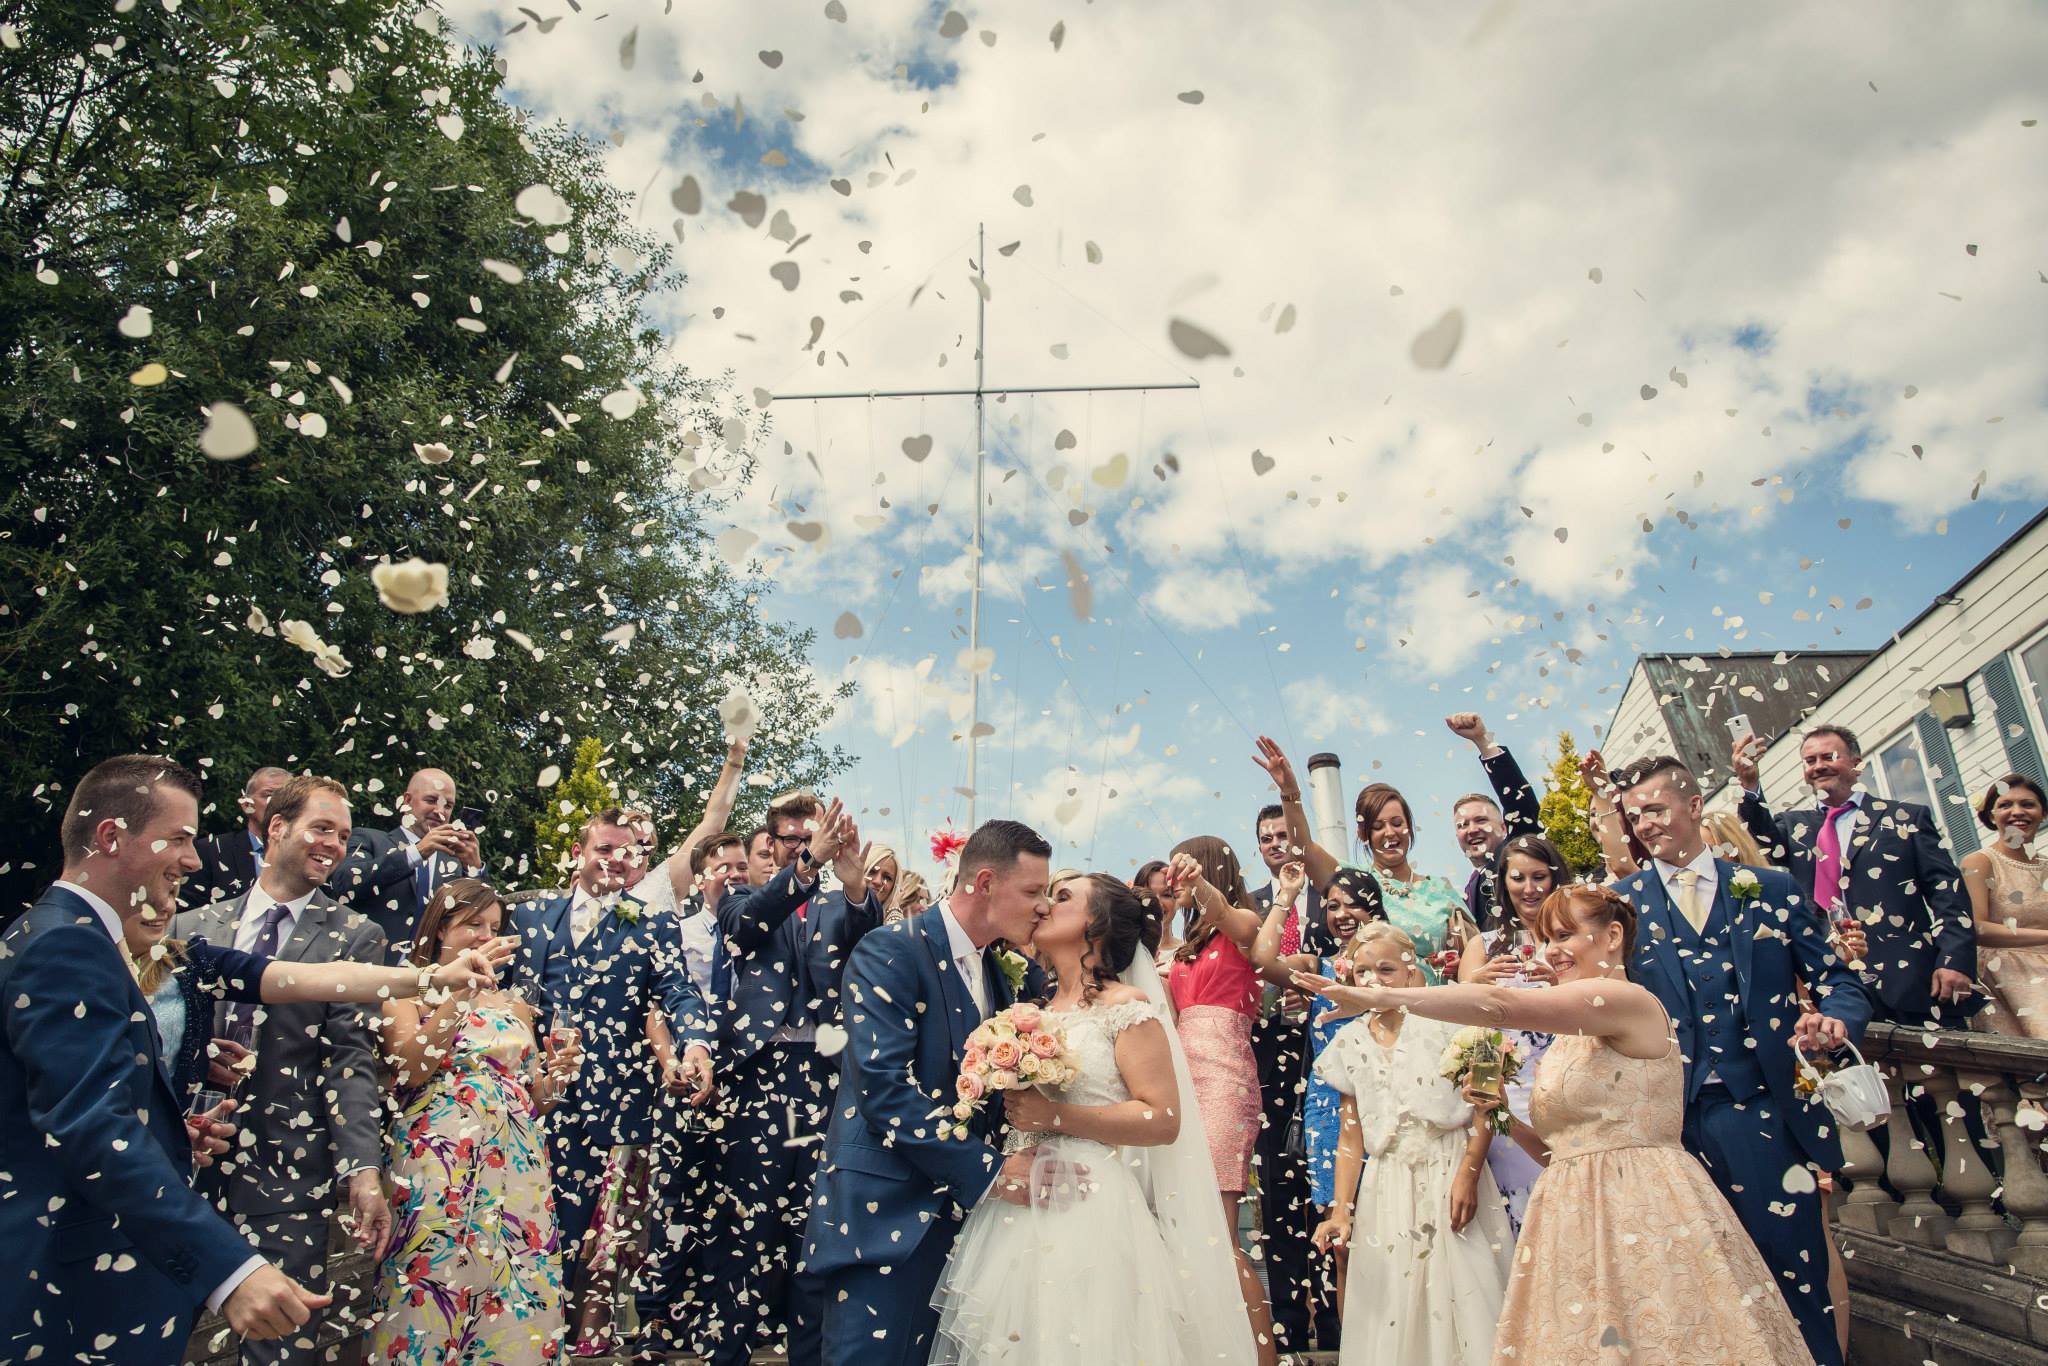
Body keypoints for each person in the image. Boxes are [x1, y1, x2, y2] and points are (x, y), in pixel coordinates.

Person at [1297, 883, 1821, 1365]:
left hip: (1643, 1201)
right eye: (1547, 938)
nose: (1551, 949)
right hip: (1571, 1207)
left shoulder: (1628, 999)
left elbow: (1501, 1005)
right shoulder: (1572, 1036)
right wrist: (1501, 1112)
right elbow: (1557, 1150)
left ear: (1613, 936)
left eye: (1565, 934)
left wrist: (1380, 996)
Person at [3, 756, 330, 1363]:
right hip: (76, 1292)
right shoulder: (69, 945)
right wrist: (228, 1269)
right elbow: (91, 1128)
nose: (194, 859)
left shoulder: (58, 931)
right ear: (110, 836)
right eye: (179, 838)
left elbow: (52, 1107)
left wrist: (167, 1131)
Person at [929, 872, 1258, 1366]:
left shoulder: (1125, 1007)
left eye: (1061, 898)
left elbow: (1162, 1118)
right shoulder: (1028, 1011)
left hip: (1087, 1199)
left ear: (1096, 924)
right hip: (1019, 1199)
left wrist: (1056, 1115)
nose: (1044, 905)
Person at [1617, 754, 1870, 1365]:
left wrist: (1833, 1020)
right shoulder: (1619, 907)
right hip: (1668, 1132)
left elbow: (1840, 981)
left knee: (1797, 1282)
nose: (1645, 824)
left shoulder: (1770, 889)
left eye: (1655, 808)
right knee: (1706, 1295)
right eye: (1635, 816)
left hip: (1767, 1115)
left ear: (1694, 804)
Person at [803, 819, 1055, 1366]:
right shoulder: (889, 951)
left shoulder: (1006, 975)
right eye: (1033, 892)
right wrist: (990, 1171)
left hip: (964, 1229)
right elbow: (884, 1088)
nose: (1043, 907)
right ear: (985, 882)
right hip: (883, 1219)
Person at [171, 774, 400, 1365]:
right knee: (162, 1336)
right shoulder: (189, 928)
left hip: (286, 1173)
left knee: (281, 1348)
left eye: (344, 836)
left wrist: (363, 1169)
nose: (334, 845)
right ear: (277, 827)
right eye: (322, 827)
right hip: (182, 1165)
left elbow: (351, 1061)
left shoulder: (357, 935)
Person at [697, 793, 881, 1366]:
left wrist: (855, 888)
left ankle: (806, 1354)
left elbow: (869, 950)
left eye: (814, 839)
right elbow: (745, 930)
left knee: (812, 1221)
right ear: (772, 844)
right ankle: (729, 1351)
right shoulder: (744, 896)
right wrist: (805, 869)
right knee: (749, 1220)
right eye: (795, 840)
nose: (807, 849)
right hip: (759, 1077)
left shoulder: (836, 903)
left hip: (825, 1078)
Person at [366, 880, 585, 1363]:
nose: (486, 936)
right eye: (473, 925)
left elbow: (531, 1098)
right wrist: (458, 991)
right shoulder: (405, 992)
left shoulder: (514, 1005)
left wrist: (558, 1080)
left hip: (517, 1161)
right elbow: (410, 1069)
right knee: (433, 1273)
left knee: (514, 1280)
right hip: (439, 1155)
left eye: (494, 927)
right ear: (440, 929)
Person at [524, 810, 712, 1355]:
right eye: (604, 849)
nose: (615, 860)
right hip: (538, 1103)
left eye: (626, 852)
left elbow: (676, 990)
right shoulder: (536, 915)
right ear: (580, 852)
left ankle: (590, 1338)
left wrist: (694, 1042)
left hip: (618, 1105)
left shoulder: (648, 920)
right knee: (538, 1226)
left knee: (605, 1236)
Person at [1309, 921, 1512, 1366]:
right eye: (1362, 972)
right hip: (1387, 1180)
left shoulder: (1450, 1020)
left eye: (1385, 969)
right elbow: (1351, 1132)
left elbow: (1486, 1104)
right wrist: (1342, 1207)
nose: (1373, 981)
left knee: (1463, 1286)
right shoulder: (1349, 1039)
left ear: (1411, 972)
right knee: (1395, 1299)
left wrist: (1469, 1172)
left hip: (1449, 1166)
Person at [1734, 724, 1978, 1024]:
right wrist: (1749, 783)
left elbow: (1947, 893)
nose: (1819, 766)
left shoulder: (1905, 818)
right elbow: (1757, 838)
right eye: (1810, 761)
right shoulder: (1792, 827)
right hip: (1835, 989)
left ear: (1857, 763)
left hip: (1910, 981)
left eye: (1829, 756)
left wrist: (1955, 960)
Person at [1161, 839, 1283, 1366]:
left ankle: (1263, 1358)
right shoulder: (1186, 942)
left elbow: (1233, 921)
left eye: (1185, 866)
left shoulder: (1245, 925)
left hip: (1224, 1078)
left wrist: (1201, 887)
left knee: (1220, 1226)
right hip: (1181, 1079)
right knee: (1187, 1223)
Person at [1253, 737, 1480, 983]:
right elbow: (1302, 850)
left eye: (1397, 824)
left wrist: (1462, 963)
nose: (1390, 833)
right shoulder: (1354, 880)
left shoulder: (1439, 889)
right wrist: (1289, 792)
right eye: (1378, 826)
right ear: (1364, 835)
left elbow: (1473, 952)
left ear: (1409, 828)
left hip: (1437, 1006)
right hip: (1374, 1004)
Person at [1246, 803, 1339, 1356]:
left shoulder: (1332, 900)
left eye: (1283, 834)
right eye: (1266, 838)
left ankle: (1332, 1321)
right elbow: (1245, 973)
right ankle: (1287, 1322)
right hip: (1271, 1055)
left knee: (1326, 1188)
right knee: (1279, 1189)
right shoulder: (1253, 906)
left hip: (1329, 1051)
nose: (1276, 843)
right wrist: (1278, 996)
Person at [1456, 832, 1570, 1232]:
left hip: (1569, 1098)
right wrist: (1475, 988)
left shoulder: (1573, 944)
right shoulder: (1483, 947)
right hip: (1510, 1105)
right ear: (1503, 883)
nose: (1530, 888)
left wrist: (1562, 985)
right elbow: (1475, 1039)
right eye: (1518, 878)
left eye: (1539, 876)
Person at [1250, 865, 1377, 1210]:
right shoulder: (1315, 966)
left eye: (1353, 904)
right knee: (1337, 1218)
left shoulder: (1395, 967)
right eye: (1333, 907)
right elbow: (1262, 960)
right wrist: (1287, 895)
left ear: (1374, 909)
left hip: (1382, 1097)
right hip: (1327, 1104)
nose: (1342, 914)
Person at [335, 767, 483, 960]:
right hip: (367, 971)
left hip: (426, 980)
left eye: (448, 805)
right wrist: (417, 852)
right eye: (431, 801)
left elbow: (476, 919)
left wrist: (474, 870)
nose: (439, 812)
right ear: (407, 801)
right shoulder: (368, 838)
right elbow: (343, 885)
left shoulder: (454, 863)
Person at [1962, 774, 2048, 1037]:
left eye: (2028, 804)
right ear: (1990, 816)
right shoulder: (1980, 862)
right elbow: (1976, 928)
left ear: (2043, 813)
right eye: (2005, 805)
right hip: (2008, 975)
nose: (2017, 812)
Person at [1445, 712, 1544, 931]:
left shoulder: (1517, 854)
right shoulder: (1469, 888)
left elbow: (1522, 807)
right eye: (1462, 825)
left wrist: (1482, 741)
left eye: (1480, 820)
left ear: (1504, 826)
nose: (1471, 830)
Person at [181, 765, 290, 910]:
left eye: (286, 797)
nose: (277, 803)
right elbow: (187, 915)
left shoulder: (310, 855)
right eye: (268, 795)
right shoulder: (212, 851)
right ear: (246, 804)